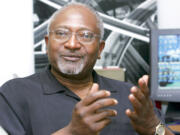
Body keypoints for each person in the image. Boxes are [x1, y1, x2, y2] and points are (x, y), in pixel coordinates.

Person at [0, 2, 174, 135]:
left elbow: (161, 132)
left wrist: (154, 126)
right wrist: (71, 132)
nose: (72, 44)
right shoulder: (14, 94)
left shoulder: (132, 96)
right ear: (46, 44)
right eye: (61, 33)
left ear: (100, 49)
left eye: (85, 35)